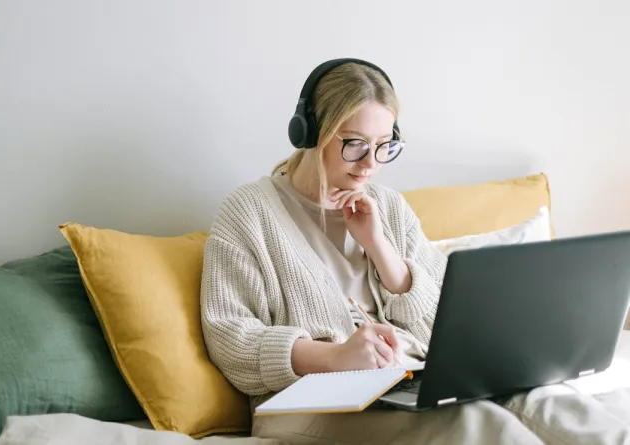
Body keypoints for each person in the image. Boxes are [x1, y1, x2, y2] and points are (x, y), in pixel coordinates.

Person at [200, 58, 630, 444]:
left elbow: (445, 318)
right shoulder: (248, 213)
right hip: (305, 403)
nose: (370, 163)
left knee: (555, 406)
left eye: (384, 145)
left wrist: (380, 248)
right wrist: (333, 356)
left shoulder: (386, 206)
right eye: (354, 143)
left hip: (409, 379)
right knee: (481, 425)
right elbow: (230, 338)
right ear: (311, 132)